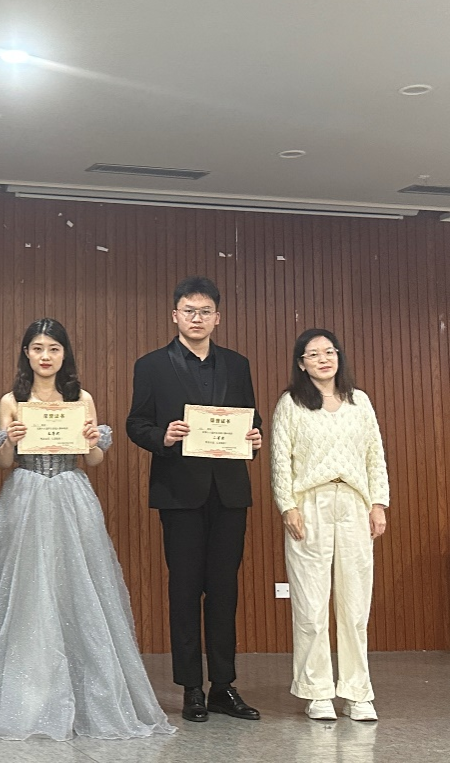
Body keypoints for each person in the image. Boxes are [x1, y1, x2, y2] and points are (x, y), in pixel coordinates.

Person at [0, 319, 175, 741]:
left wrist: (90, 440)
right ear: (26, 353)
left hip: (70, 491)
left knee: (78, 588)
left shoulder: (81, 398)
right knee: (26, 591)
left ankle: (88, 694)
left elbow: (95, 460)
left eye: (53, 348)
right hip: (26, 493)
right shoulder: (11, 400)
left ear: (64, 354)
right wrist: (9, 440)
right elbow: (3, 463)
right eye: (37, 348)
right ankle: (29, 694)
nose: (45, 356)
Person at [126, 275, 263, 723]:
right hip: (179, 492)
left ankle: (223, 686)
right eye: (189, 311)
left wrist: (255, 437)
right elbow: (136, 423)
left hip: (229, 492)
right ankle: (191, 689)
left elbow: (252, 418)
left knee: (224, 590)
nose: (197, 318)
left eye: (205, 312)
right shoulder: (151, 365)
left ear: (217, 318)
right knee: (185, 590)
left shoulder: (237, 364)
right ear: (175, 316)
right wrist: (163, 437)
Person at [270, 328, 389, 722]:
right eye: (313, 354)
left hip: (354, 504)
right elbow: (280, 459)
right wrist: (288, 506)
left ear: (339, 356)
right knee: (310, 604)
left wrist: (378, 504)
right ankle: (317, 690)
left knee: (355, 605)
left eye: (329, 351)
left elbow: (375, 457)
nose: (323, 359)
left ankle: (357, 692)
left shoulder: (360, 402)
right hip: (310, 504)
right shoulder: (291, 403)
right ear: (301, 363)